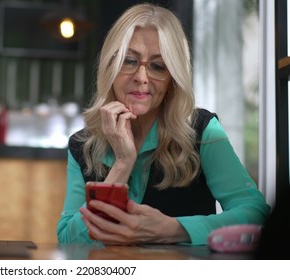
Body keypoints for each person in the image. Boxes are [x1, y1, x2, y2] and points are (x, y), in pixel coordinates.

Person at [56, 3, 270, 246]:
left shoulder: (203, 131)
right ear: (110, 67)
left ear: (172, 79)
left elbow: (256, 213)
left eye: (158, 66)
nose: (141, 77)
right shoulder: (81, 145)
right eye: (129, 60)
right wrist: (122, 165)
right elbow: (68, 240)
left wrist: (175, 229)